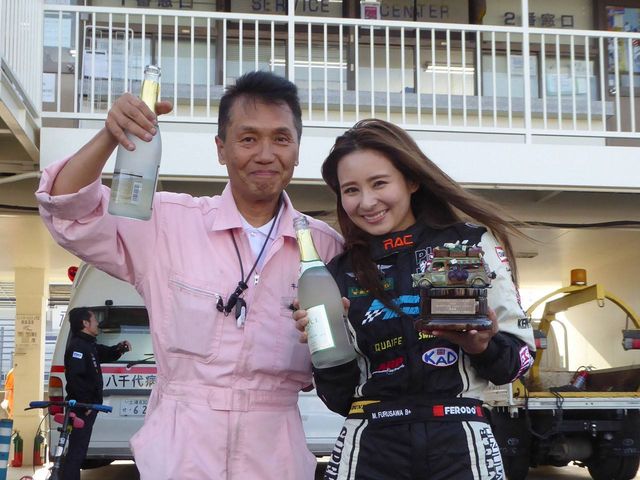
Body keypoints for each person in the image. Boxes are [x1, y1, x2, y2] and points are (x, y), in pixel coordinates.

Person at [36, 71, 343, 480]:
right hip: (178, 458)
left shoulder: (324, 247)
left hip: (277, 457)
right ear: (221, 148)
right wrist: (110, 135)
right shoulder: (167, 223)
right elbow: (67, 210)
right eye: (248, 139)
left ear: (298, 149)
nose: (266, 154)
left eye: (281, 139)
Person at [293, 119, 536, 480]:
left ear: (411, 180)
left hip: (460, 442)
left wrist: (482, 346)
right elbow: (339, 399)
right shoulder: (337, 272)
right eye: (351, 190)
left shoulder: (467, 243)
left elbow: (519, 363)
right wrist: (326, 347)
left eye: (379, 183)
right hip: (370, 445)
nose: (367, 202)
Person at [63, 307, 131, 480]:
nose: (97, 323)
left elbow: (105, 353)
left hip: (87, 407)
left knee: (79, 449)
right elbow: (75, 378)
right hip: (81, 408)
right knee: (77, 450)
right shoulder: (78, 347)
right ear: (85, 323)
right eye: (94, 320)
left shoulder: (88, 344)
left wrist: (120, 349)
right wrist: (85, 403)